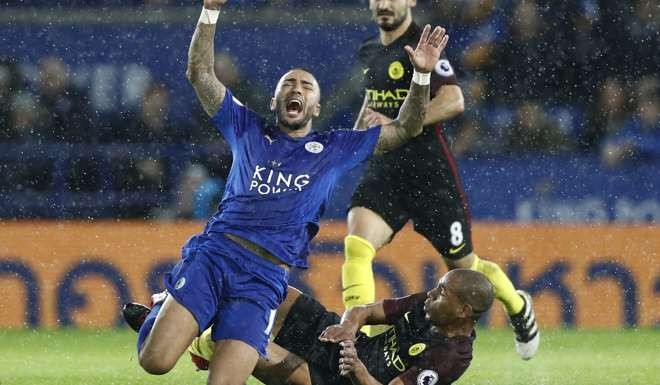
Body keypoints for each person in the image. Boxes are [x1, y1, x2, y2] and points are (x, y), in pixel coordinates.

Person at [125, 0, 450, 384]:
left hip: (264, 280)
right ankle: (159, 314)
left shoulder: (335, 147)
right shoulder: (247, 129)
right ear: (274, 101)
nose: (297, 89)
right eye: (288, 85)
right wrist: (210, 10)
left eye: (306, 86)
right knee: (155, 361)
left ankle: (192, 328)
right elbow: (199, 73)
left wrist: (422, 78)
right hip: (217, 255)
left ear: (315, 107)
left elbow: (406, 128)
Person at [340, 0, 539, 359]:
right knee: (357, 244)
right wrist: (354, 141)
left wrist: (403, 125)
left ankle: (517, 305)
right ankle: (361, 344)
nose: (384, 5)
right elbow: (372, 106)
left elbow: (454, 99)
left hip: (429, 175)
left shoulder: (423, 44)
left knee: (464, 268)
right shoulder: (370, 50)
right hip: (386, 171)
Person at [125, 269, 494, 385]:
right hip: (346, 345)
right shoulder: (424, 305)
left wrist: (360, 369)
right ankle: (183, 314)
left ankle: (169, 326)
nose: (432, 293)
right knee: (272, 289)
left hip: (343, 380)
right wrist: (349, 329)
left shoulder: (450, 358)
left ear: (463, 310)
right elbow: (365, 311)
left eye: (441, 292)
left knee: (247, 342)